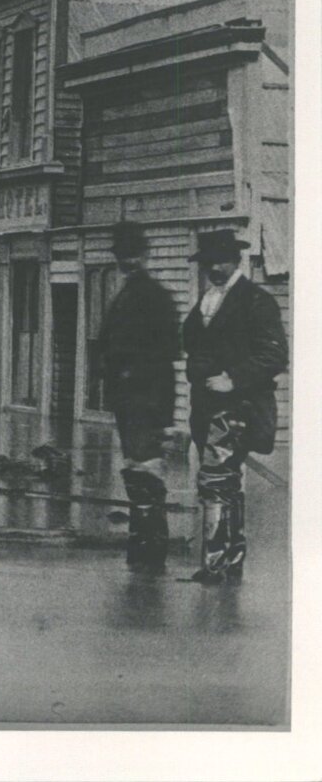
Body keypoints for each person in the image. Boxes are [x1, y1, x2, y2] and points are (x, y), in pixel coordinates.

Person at [180, 227, 287, 585]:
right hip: (207, 407)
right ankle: (230, 559)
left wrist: (234, 379)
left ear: (237, 259)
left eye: (221, 260)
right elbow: (195, 343)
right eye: (208, 262)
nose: (214, 267)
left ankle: (215, 564)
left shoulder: (256, 300)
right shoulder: (209, 299)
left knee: (215, 480)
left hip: (239, 405)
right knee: (223, 483)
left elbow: (274, 354)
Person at [94, 220, 181, 574]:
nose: (128, 261)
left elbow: (168, 351)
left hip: (147, 398)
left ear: (145, 255)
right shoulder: (124, 295)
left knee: (146, 472)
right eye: (123, 256)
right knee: (136, 471)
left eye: (133, 254)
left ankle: (149, 548)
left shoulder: (154, 297)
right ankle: (142, 542)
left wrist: (135, 377)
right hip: (128, 401)